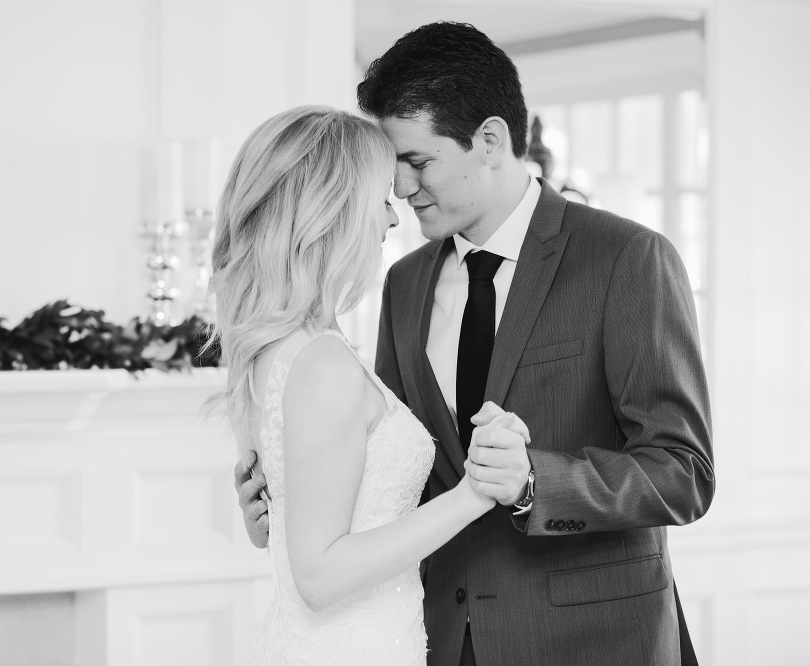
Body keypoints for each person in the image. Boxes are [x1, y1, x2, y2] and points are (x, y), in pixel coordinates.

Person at [236, 22, 714, 666]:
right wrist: (290, 510)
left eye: (417, 161)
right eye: (392, 167)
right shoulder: (404, 283)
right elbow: (399, 466)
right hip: (434, 635)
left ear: (489, 140)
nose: (400, 191)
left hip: (590, 642)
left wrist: (533, 482)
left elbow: (683, 473)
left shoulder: (627, 258)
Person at [213, 105, 524, 665]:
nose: (392, 219)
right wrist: (474, 494)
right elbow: (320, 575)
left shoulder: (271, 347)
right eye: (380, 199)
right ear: (332, 211)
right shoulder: (320, 361)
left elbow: (296, 532)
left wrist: (267, 523)